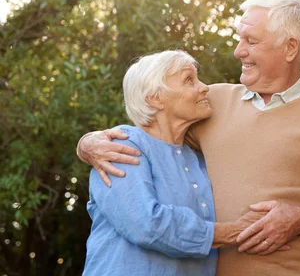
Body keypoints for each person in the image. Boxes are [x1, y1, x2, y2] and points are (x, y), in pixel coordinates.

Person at [78, 0, 300, 276]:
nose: (238, 51)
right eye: (239, 39)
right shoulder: (213, 104)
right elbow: (156, 132)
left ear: (289, 48)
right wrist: (88, 144)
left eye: (251, 41)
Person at [83, 50, 275, 276]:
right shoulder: (123, 145)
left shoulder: (200, 159)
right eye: (189, 80)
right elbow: (147, 224)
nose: (204, 87)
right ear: (154, 98)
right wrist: (234, 232)